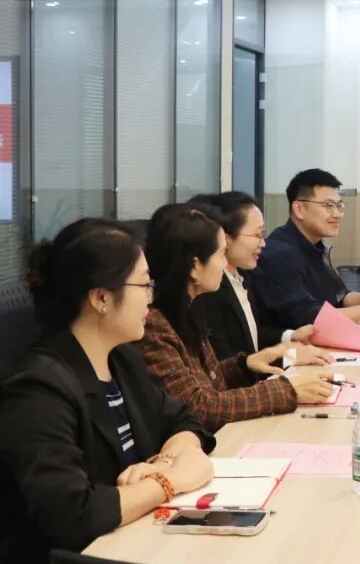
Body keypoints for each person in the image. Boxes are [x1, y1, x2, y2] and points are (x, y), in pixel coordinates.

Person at [0, 219, 215, 561]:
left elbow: (183, 419)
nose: (150, 299)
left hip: (137, 542)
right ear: (101, 297)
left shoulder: (121, 359)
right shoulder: (37, 391)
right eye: (144, 285)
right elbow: (71, 514)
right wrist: (170, 481)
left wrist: (166, 461)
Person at [136, 204, 335, 432]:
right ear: (194, 267)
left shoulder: (190, 308)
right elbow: (199, 407)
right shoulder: (155, 327)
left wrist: (246, 364)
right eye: (221, 255)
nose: (224, 264)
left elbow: (208, 378)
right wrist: (286, 389)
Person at [246, 168, 360, 338]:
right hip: (294, 350)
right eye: (328, 206)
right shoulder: (278, 254)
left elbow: (340, 297)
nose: (337, 214)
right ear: (299, 209)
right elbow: (308, 319)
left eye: (339, 206)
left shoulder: (315, 245)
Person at [188, 192, 332, 366]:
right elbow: (226, 364)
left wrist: (290, 336)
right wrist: (289, 357)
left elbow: (249, 336)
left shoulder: (243, 276)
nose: (263, 243)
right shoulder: (210, 289)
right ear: (226, 239)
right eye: (257, 235)